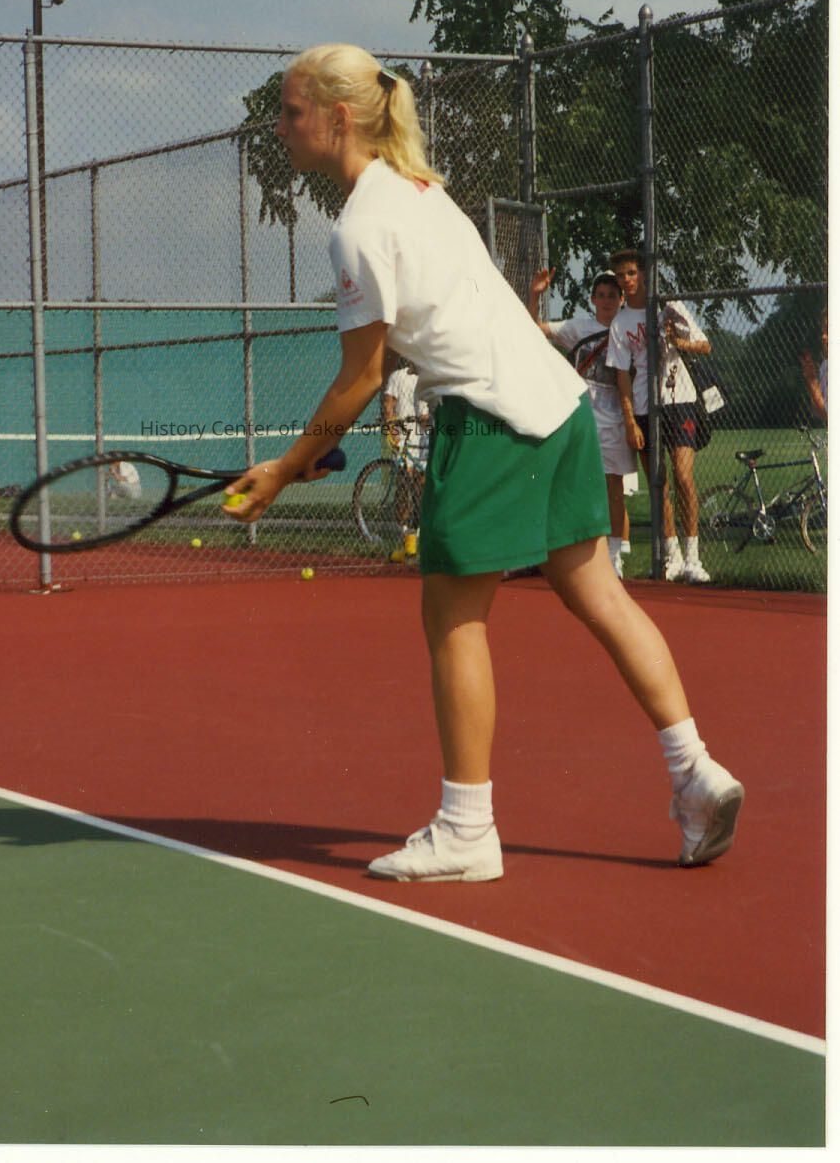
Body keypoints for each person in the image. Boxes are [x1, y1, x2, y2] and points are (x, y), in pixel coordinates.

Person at [222, 44, 743, 882]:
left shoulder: (357, 226)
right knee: (600, 593)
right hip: (562, 410)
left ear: (338, 117)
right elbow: (408, 344)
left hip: (490, 421)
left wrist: (283, 468)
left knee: (452, 620)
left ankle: (467, 829)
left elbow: (360, 375)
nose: (278, 128)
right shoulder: (422, 193)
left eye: (290, 112)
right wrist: (312, 450)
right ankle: (696, 773)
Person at [606, 251, 713, 585]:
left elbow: (704, 345)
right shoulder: (621, 323)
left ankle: (693, 558)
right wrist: (630, 421)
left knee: (683, 475)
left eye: (631, 273)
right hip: (644, 406)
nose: (626, 280)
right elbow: (622, 375)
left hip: (680, 399)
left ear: (643, 274)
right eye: (620, 275)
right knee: (658, 484)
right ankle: (672, 556)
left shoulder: (669, 306)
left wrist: (676, 340)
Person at [529, 266, 635, 578]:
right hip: (581, 410)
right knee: (570, 479)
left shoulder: (627, 328)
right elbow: (535, 329)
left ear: (621, 299)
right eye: (601, 295)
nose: (606, 301)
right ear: (592, 299)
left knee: (613, 485)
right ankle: (563, 550)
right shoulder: (579, 326)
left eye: (612, 295)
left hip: (615, 413)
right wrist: (535, 295)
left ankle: (614, 555)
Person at [381, 358, 429, 559]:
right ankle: (403, 535)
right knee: (404, 483)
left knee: (421, 486)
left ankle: (417, 536)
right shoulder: (398, 377)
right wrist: (391, 429)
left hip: (424, 437)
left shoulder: (428, 377)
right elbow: (389, 405)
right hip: (404, 437)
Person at [799, 311, 827, 423]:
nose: (823, 337)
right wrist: (812, 383)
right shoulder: (825, 365)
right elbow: (820, 411)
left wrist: (812, 382)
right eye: (823, 331)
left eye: (829, 331)